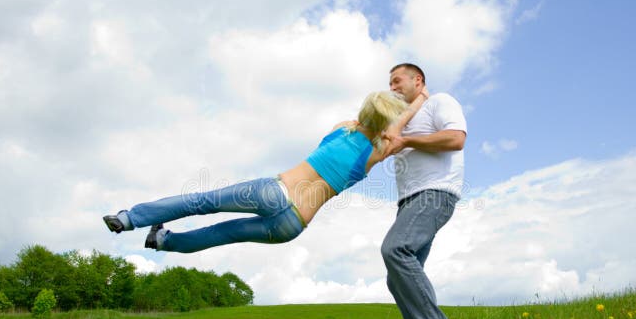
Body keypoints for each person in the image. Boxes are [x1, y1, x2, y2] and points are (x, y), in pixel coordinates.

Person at [103, 90, 428, 253]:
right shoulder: (376, 154)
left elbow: (371, 123)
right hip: (293, 224)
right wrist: (419, 100)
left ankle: (130, 219)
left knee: (200, 202)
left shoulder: (342, 128)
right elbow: (394, 132)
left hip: (274, 191)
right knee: (221, 235)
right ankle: (162, 241)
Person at [380, 63, 467, 319]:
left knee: (396, 249)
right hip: (408, 201)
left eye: (396, 81)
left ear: (418, 80)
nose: (391, 88)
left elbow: (456, 139)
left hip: (434, 193)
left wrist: (407, 141)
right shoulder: (402, 120)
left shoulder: (441, 102)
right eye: (389, 84)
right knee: (397, 279)